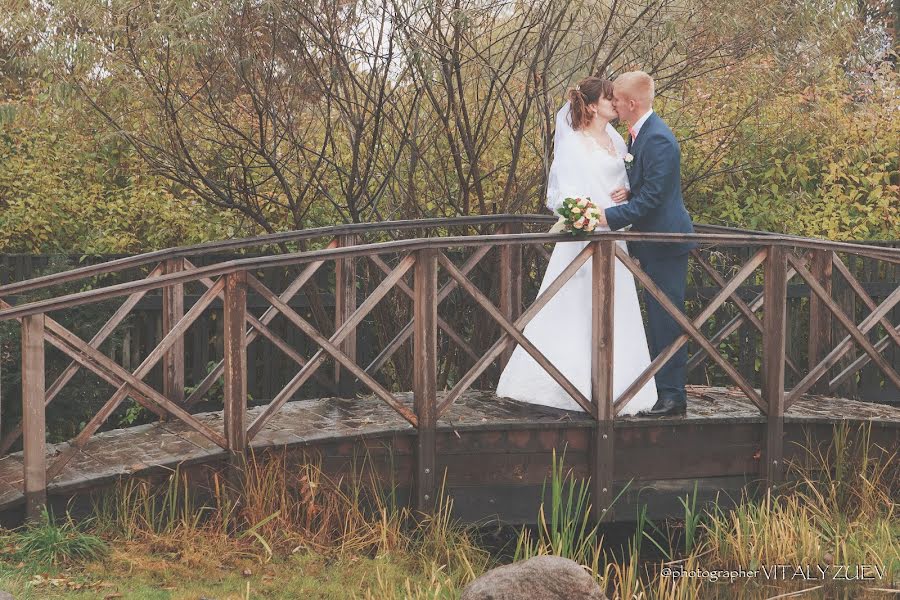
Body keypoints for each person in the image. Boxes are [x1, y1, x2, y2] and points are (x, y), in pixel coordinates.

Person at [495, 76, 658, 416]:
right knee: (573, 310)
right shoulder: (575, 141)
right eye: (608, 98)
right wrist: (581, 215)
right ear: (592, 104)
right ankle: (566, 388)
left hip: (613, 238)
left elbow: (624, 182)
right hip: (584, 239)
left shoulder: (616, 139)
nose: (615, 103)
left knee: (615, 310)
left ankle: (619, 387)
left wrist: (626, 194)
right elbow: (562, 192)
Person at [594, 71, 697, 416]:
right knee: (655, 317)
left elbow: (655, 197)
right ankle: (660, 389)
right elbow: (649, 185)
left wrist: (610, 217)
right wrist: (630, 191)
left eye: (618, 101)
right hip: (651, 242)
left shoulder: (658, 140)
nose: (615, 105)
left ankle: (673, 397)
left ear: (632, 103)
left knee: (667, 318)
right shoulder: (641, 136)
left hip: (666, 242)